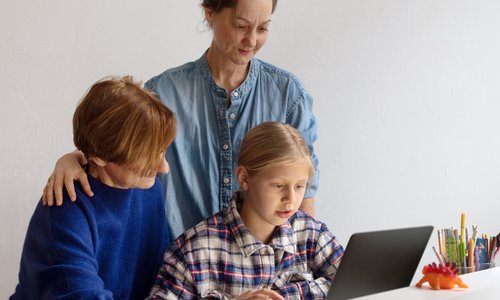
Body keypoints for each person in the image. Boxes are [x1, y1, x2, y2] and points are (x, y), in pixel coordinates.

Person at [42, 0, 319, 241]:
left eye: (263, 28)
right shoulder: (163, 92)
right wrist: (73, 158)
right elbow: (118, 149)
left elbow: (304, 191)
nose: (251, 40)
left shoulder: (288, 96)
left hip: (262, 271)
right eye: (241, 26)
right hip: (179, 272)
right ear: (209, 13)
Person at [11, 76, 176, 299]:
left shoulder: (148, 188)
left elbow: (162, 277)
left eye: (161, 150)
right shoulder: (64, 209)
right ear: (100, 158)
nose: (163, 166)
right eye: (146, 156)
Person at [148, 122, 344, 299]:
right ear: (244, 178)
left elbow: (350, 284)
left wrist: (284, 296)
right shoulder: (192, 252)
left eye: (300, 186)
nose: (290, 199)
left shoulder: (312, 234)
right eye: (278, 186)